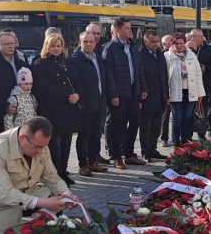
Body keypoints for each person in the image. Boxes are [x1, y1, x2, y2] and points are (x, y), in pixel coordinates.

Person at [33, 32, 81, 185]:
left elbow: (77, 81)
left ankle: (64, 171)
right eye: (52, 46)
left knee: (67, 142)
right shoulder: (40, 63)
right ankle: (55, 175)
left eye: (58, 46)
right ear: (47, 46)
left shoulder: (67, 62)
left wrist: (77, 95)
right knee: (54, 144)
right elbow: (44, 87)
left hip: (68, 109)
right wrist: (65, 95)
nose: (56, 48)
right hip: (52, 110)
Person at [102, 17, 148, 169]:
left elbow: (139, 69)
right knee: (117, 125)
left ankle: (129, 154)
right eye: (127, 28)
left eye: (130, 27)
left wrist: (142, 89)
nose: (130, 30)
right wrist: (113, 95)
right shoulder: (110, 48)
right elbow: (108, 74)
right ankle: (116, 156)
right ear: (118, 30)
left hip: (133, 92)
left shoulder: (133, 47)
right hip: (119, 94)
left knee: (135, 121)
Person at [71, 31, 108, 175]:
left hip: (99, 103)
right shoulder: (75, 60)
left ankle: (93, 162)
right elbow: (76, 83)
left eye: (90, 41)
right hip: (85, 105)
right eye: (84, 41)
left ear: (95, 43)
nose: (88, 44)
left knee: (95, 135)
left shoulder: (98, 58)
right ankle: (83, 164)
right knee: (84, 135)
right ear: (80, 43)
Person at [164, 33, 205, 147]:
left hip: (190, 91)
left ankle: (185, 141)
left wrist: (200, 93)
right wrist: (166, 94)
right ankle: (176, 141)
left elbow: (197, 74)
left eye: (181, 43)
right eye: (176, 44)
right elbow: (165, 76)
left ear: (184, 43)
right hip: (175, 91)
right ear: (172, 44)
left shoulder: (191, 55)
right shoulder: (167, 56)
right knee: (177, 118)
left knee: (187, 118)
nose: (179, 46)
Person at [139, 31, 169, 161]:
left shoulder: (160, 54)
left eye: (157, 41)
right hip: (147, 96)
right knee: (146, 126)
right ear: (145, 42)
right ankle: (145, 152)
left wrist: (166, 95)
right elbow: (140, 76)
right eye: (152, 41)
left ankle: (153, 149)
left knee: (157, 126)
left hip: (160, 96)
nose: (156, 44)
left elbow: (164, 75)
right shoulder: (141, 55)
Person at [189, 28, 211, 140]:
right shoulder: (186, 48)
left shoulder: (210, 49)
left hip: (204, 83)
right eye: (191, 36)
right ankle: (188, 134)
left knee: (202, 110)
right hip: (189, 85)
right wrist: (191, 50)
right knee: (189, 111)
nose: (193, 39)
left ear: (201, 37)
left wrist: (206, 68)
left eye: (195, 36)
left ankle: (201, 134)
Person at [159, 34, 173, 147]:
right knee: (165, 115)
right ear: (164, 44)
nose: (173, 42)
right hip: (166, 88)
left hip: (176, 88)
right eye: (171, 41)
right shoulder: (162, 55)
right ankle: (164, 137)